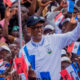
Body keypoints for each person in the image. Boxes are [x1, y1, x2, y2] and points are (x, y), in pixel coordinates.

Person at [19, 14, 80, 80]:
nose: (39, 30)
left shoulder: (54, 39)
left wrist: (79, 23)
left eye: (41, 27)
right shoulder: (24, 51)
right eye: (36, 27)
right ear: (29, 30)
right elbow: (22, 75)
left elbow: (74, 36)